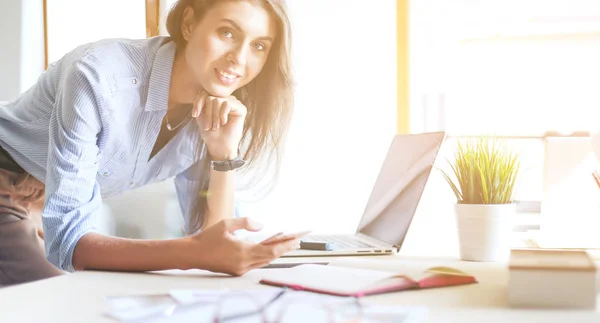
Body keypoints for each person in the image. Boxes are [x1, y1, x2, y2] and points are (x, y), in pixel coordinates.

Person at [0, 0, 298, 286]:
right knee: (59, 304)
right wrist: (192, 252)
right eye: (227, 33)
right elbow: (69, 244)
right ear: (189, 23)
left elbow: (216, 243)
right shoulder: (99, 76)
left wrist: (223, 155)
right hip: (6, 182)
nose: (240, 58)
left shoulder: (215, 109)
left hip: (48, 200)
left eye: (259, 45)